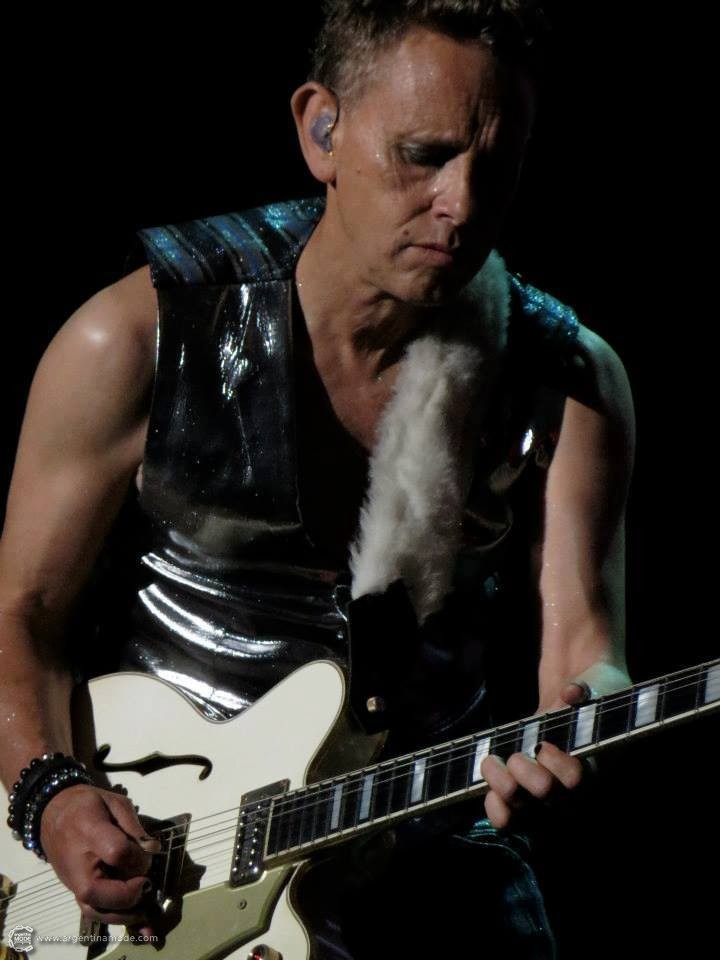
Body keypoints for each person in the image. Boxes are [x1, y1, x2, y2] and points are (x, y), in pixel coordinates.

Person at [0, 1, 635, 956]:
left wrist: (583, 718)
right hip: (166, 856)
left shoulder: (568, 380)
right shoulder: (134, 339)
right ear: (321, 129)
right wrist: (52, 798)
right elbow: (21, 611)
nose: (462, 205)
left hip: (423, 862)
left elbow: (584, 645)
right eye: (424, 155)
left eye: (496, 166)